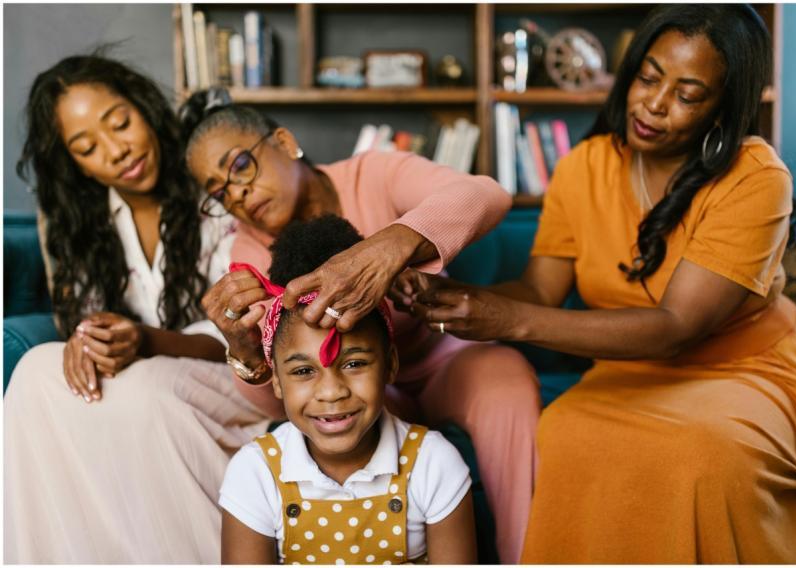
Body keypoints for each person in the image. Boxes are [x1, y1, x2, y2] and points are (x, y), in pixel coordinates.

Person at [398, 5, 796, 564]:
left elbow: (675, 328)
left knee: (700, 454)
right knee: (562, 432)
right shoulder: (585, 165)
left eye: (687, 94)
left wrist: (505, 320)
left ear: (723, 108)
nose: (654, 104)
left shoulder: (756, 177)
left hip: (750, 371)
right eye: (649, 77)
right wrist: (454, 298)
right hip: (629, 370)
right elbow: (540, 289)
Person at [181, 90, 540, 564]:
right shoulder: (248, 256)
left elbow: (487, 194)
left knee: (506, 379)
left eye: (241, 166)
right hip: (365, 382)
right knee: (338, 410)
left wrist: (392, 245)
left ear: (284, 142)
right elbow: (287, 388)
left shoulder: (374, 174)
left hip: (443, 357)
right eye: (219, 193)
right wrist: (245, 351)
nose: (238, 194)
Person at [3, 55, 267, 563]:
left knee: (146, 392)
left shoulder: (211, 187)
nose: (116, 150)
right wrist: (88, 338)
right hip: (145, 372)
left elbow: (242, 336)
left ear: (143, 107)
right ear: (73, 163)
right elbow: (87, 311)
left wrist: (144, 340)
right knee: (36, 371)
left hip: (235, 374)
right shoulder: (81, 219)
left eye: (120, 123)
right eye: (86, 148)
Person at [219, 215, 476, 564]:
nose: (331, 392)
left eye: (354, 364)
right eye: (304, 370)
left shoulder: (433, 464)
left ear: (390, 364)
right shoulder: (256, 473)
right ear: (276, 381)